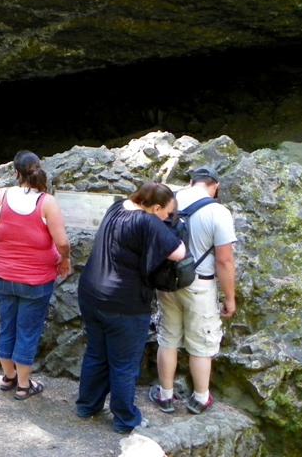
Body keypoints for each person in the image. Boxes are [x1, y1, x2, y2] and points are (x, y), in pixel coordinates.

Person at [76, 181, 185, 433]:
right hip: (124, 302)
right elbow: (179, 252)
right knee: (124, 364)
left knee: (96, 353)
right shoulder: (147, 222)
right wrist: (172, 226)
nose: (167, 217)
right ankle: (126, 419)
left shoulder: (115, 208)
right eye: (167, 213)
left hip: (91, 294)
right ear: (155, 207)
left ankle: (87, 405)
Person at [0, 150, 71, 400]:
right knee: (28, 330)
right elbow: (62, 242)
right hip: (37, 280)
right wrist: (65, 258)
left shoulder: (1, 197)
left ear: (16, 173)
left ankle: (8, 377)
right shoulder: (46, 202)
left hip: (5, 276)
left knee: (7, 325)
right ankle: (23, 384)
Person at [150, 166, 237, 415]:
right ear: (215, 185)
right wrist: (229, 297)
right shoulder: (218, 212)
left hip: (167, 281)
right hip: (200, 284)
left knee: (168, 337)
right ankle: (200, 398)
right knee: (201, 343)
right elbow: (224, 260)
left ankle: (165, 395)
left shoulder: (170, 199)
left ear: (191, 182)